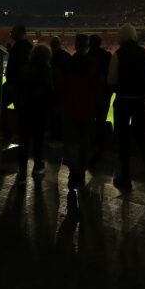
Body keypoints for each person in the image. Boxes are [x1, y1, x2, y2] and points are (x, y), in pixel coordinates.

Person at [107, 24, 145, 191]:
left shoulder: (118, 54)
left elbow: (111, 80)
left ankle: (125, 177)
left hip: (123, 101)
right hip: (139, 101)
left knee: (123, 140)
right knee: (143, 138)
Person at [57, 34, 101, 189]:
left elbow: (61, 87)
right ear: (87, 46)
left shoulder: (66, 63)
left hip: (70, 108)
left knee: (70, 143)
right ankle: (80, 173)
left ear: (75, 46)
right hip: (87, 109)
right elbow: (96, 89)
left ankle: (73, 172)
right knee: (84, 143)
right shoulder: (93, 64)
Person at [14, 43, 55, 183]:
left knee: (24, 140)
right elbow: (49, 90)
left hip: (25, 109)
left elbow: (19, 89)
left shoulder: (25, 68)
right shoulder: (46, 69)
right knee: (38, 140)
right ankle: (37, 167)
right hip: (39, 110)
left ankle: (22, 170)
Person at [87, 34, 113, 168]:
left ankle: (91, 147)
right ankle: (100, 149)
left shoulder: (87, 57)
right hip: (103, 95)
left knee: (89, 121)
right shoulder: (107, 56)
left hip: (91, 95)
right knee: (101, 122)